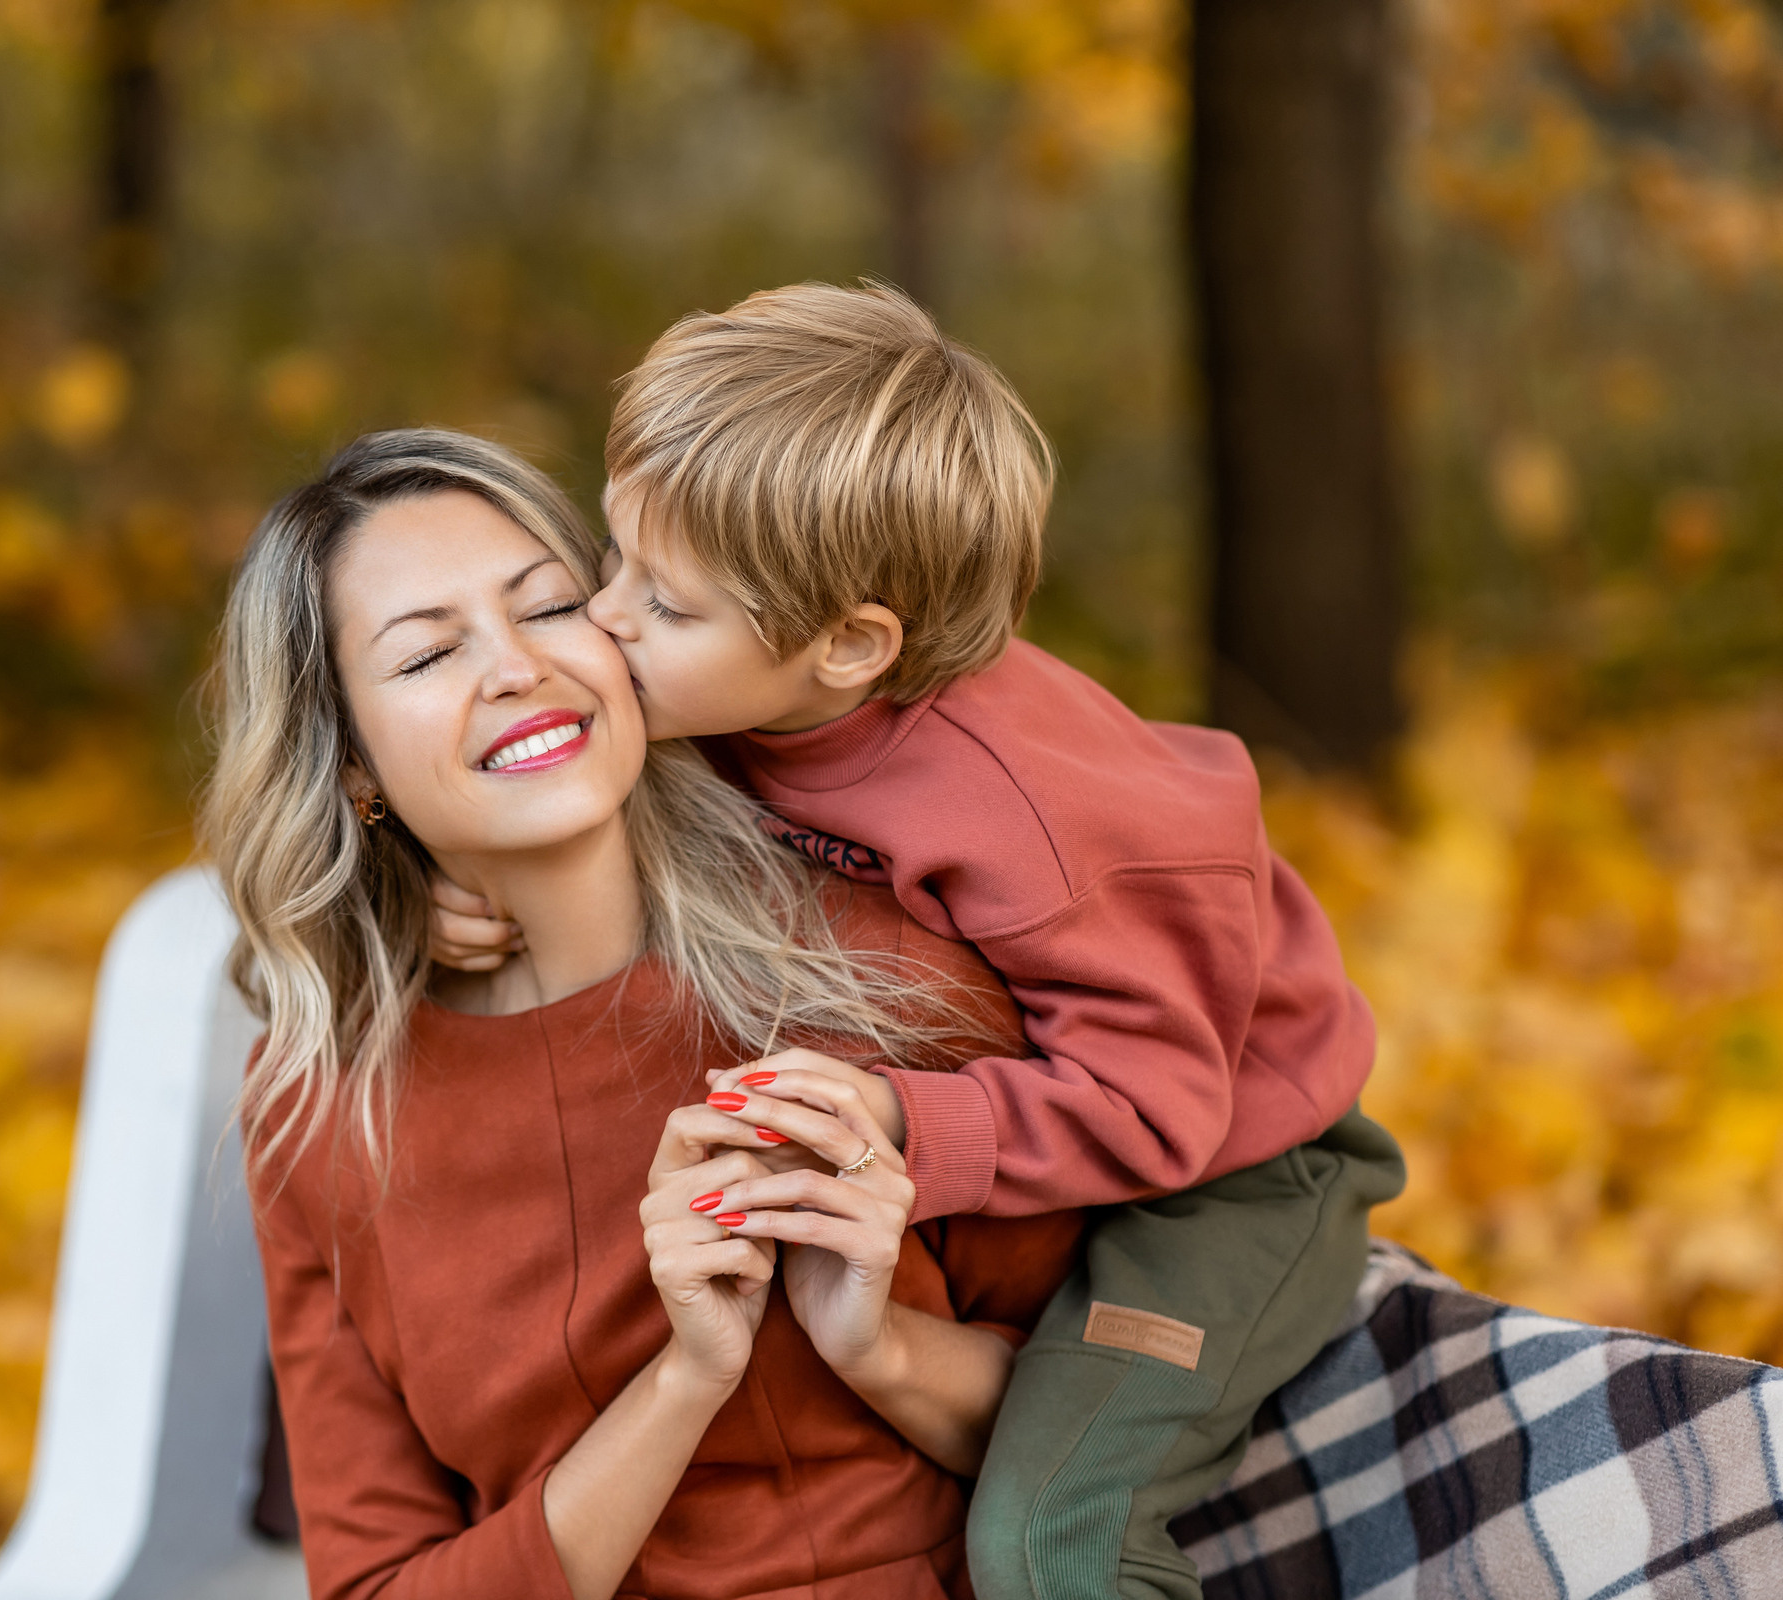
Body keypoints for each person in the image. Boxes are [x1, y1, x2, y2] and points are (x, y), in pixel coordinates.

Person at [428, 283, 1408, 1600]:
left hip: (1230, 1175)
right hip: (1038, 1158)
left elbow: (1163, 1105)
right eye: (614, 562)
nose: (605, 621)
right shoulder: (740, 687)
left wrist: (896, 1124)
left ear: (849, 646)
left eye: (664, 604)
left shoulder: (1034, 822)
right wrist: (451, 878)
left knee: (1048, 1538)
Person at [203, 428, 1087, 1600]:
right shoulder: (324, 1111)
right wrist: (686, 1379)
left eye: (551, 606)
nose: (516, 667)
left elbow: (1125, 1431)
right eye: (425, 657)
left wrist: (877, 1345)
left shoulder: (877, 976)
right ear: (353, 767)